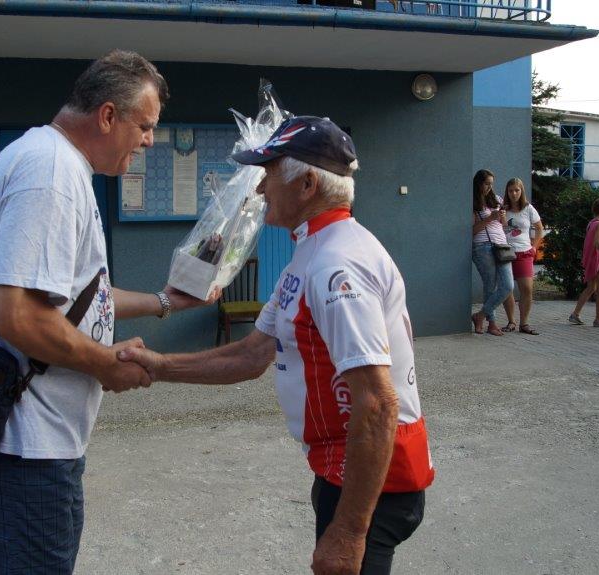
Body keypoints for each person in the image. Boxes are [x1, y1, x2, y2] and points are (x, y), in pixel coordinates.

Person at [119, 116, 435, 575]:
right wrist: (157, 365)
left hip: (377, 481)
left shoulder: (337, 265)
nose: (261, 188)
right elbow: (250, 355)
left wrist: (349, 531)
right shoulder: (310, 253)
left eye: (269, 173)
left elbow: (377, 403)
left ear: (307, 185)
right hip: (344, 469)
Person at [0, 50, 213, 574]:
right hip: (24, 448)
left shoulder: (44, 159)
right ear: (108, 115)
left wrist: (165, 301)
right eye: (145, 126)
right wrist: (104, 364)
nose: (149, 140)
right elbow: (19, 316)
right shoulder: (51, 174)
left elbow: (72, 299)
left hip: (24, 443)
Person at [470, 169, 514, 336]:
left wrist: (502, 216)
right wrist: (489, 218)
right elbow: (472, 230)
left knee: (508, 285)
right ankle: (492, 324)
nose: (489, 187)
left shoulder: (496, 199)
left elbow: (503, 225)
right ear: (478, 183)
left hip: (501, 245)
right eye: (486, 183)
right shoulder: (472, 202)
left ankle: (480, 316)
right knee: (490, 285)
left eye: (491, 184)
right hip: (482, 245)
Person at [500, 177, 544, 335]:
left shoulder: (528, 208)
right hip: (506, 252)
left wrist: (534, 247)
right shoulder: (502, 208)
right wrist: (501, 217)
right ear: (507, 192)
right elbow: (499, 228)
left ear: (521, 191)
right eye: (511, 190)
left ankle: (524, 323)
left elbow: (539, 228)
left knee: (527, 289)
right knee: (507, 288)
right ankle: (511, 321)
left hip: (524, 252)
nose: (514, 193)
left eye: (517, 190)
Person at [569, 198, 599, 327]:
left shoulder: (591, 222)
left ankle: (575, 314)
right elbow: (597, 242)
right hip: (598, 259)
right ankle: (598, 319)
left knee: (591, 287)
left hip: (590, 258)